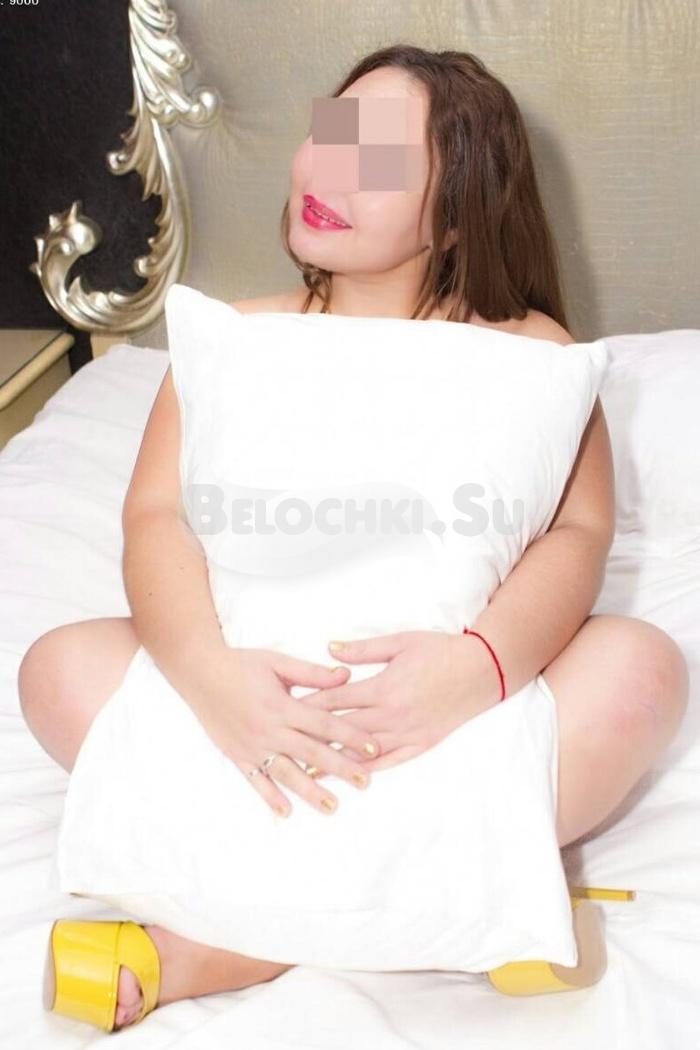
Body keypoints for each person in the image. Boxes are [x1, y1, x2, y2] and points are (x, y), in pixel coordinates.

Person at [19, 44, 689, 1032]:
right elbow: (153, 519)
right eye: (328, 140)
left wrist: (480, 669)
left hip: (449, 728)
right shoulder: (232, 337)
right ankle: (471, 906)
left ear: (456, 212)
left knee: (641, 670)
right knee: (56, 668)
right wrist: (209, 677)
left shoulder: (534, 356)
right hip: (249, 720)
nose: (328, 175)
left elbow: (579, 534)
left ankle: (222, 948)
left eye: (376, 161)